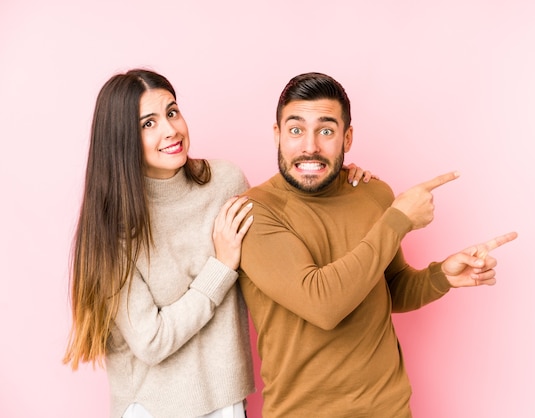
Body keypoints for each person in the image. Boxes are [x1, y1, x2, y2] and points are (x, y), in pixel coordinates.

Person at [62, 68, 372, 418]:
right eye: (148, 123)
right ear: (121, 138)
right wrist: (221, 268)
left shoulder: (224, 182)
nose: (170, 129)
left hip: (226, 401)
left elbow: (283, 222)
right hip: (151, 407)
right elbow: (152, 341)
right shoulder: (113, 227)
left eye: (172, 111)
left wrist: (331, 171)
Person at [238, 72, 518, 417]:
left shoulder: (373, 193)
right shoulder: (254, 211)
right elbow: (323, 304)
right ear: (277, 135)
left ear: (347, 137)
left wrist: (442, 276)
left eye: (326, 130)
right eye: (296, 130)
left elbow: (388, 289)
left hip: (390, 407)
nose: (309, 146)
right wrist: (398, 219)